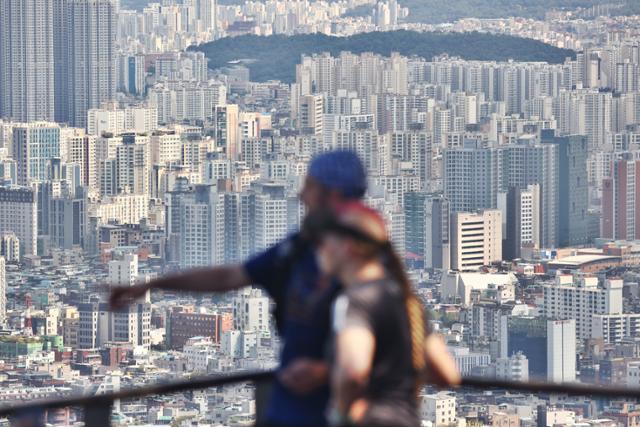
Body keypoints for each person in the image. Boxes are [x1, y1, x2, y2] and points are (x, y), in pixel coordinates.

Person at [110, 150, 369, 427]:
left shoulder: (370, 266)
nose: (301, 196)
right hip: (286, 411)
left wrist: (325, 372)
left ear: (333, 196)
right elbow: (227, 277)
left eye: (310, 187)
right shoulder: (297, 251)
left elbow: (389, 353)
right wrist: (151, 284)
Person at [305, 201, 461, 427]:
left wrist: (340, 414)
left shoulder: (354, 301)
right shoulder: (405, 299)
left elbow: (353, 372)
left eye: (323, 241)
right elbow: (448, 375)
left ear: (348, 246)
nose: (318, 250)